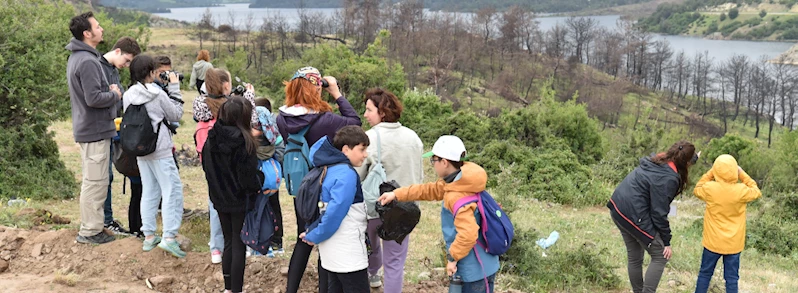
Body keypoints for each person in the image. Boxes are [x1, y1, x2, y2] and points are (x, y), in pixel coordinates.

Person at [277, 66, 361, 293]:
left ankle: (291, 289)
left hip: (301, 186)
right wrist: (336, 92)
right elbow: (354, 121)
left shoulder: (281, 118)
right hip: (324, 184)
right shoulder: (325, 120)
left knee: (303, 239)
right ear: (315, 89)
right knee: (325, 239)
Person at [378, 135, 500, 293]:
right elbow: (428, 190)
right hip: (485, 261)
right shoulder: (461, 181)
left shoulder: (456, 195)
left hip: (474, 269)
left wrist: (452, 258)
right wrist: (397, 194)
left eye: (434, 160)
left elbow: (468, 234)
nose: (433, 165)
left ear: (444, 162)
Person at [354, 88, 423, 290]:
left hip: (374, 206)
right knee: (395, 264)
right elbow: (419, 175)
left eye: (369, 110)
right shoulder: (414, 138)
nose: (365, 115)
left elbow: (358, 175)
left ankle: (373, 275)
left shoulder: (369, 138)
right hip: (404, 209)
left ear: (382, 112)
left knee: (370, 248)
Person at [607, 141, 697, 293]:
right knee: (660, 255)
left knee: (635, 256)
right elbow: (659, 213)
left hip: (618, 206)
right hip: (633, 213)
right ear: (686, 162)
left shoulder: (657, 160)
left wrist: (693, 158)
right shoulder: (669, 178)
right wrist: (666, 242)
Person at [192, 68, 258, 264]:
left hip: (209, 154)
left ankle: (216, 248)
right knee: (234, 202)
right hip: (230, 153)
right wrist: (248, 98)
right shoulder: (229, 106)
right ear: (226, 85)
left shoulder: (200, 102)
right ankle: (241, 245)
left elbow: (201, 114)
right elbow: (250, 120)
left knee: (215, 202)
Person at [123, 54, 186, 258]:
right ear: (151, 73)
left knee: (149, 190)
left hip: (140, 149)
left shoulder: (128, 94)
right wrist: (174, 88)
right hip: (160, 149)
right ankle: (169, 237)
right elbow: (175, 114)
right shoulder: (156, 94)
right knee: (172, 190)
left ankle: (149, 235)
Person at [67, 11, 121, 245]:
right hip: (94, 130)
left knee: (96, 180)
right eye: (97, 27)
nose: (102, 30)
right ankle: (90, 231)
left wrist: (106, 92)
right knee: (95, 182)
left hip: (92, 129)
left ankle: (95, 226)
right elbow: (93, 99)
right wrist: (114, 94)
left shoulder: (80, 57)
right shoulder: (88, 61)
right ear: (87, 33)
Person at [203, 96, 264, 293]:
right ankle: (236, 289)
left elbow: (207, 167)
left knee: (228, 240)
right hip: (238, 200)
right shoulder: (245, 142)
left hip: (219, 197)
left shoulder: (211, 138)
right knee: (238, 243)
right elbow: (248, 179)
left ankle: (229, 287)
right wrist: (261, 180)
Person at [300, 125, 370, 293]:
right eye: (362, 149)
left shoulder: (329, 168)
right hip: (347, 252)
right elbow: (335, 213)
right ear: (346, 149)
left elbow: (326, 209)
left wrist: (313, 231)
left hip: (331, 250)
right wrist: (315, 235)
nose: (365, 154)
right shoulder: (346, 174)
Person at [693, 155, 761, 293]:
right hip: (734, 243)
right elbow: (756, 191)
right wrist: (741, 174)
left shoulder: (710, 188)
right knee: (731, 279)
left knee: (705, 274)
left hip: (712, 242)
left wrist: (711, 172)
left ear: (716, 170)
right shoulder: (741, 190)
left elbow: (697, 188)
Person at [101, 36, 141, 236]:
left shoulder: (113, 70)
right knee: (102, 176)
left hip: (113, 126)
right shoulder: (99, 68)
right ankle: (105, 220)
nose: (126, 65)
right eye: (126, 60)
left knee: (107, 176)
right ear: (117, 51)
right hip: (101, 127)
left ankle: (107, 218)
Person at [253, 97, 285, 257]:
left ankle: (261, 243)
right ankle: (277, 242)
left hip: (259, 178)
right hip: (273, 177)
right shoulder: (275, 132)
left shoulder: (250, 137)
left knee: (258, 210)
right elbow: (280, 152)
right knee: (274, 207)